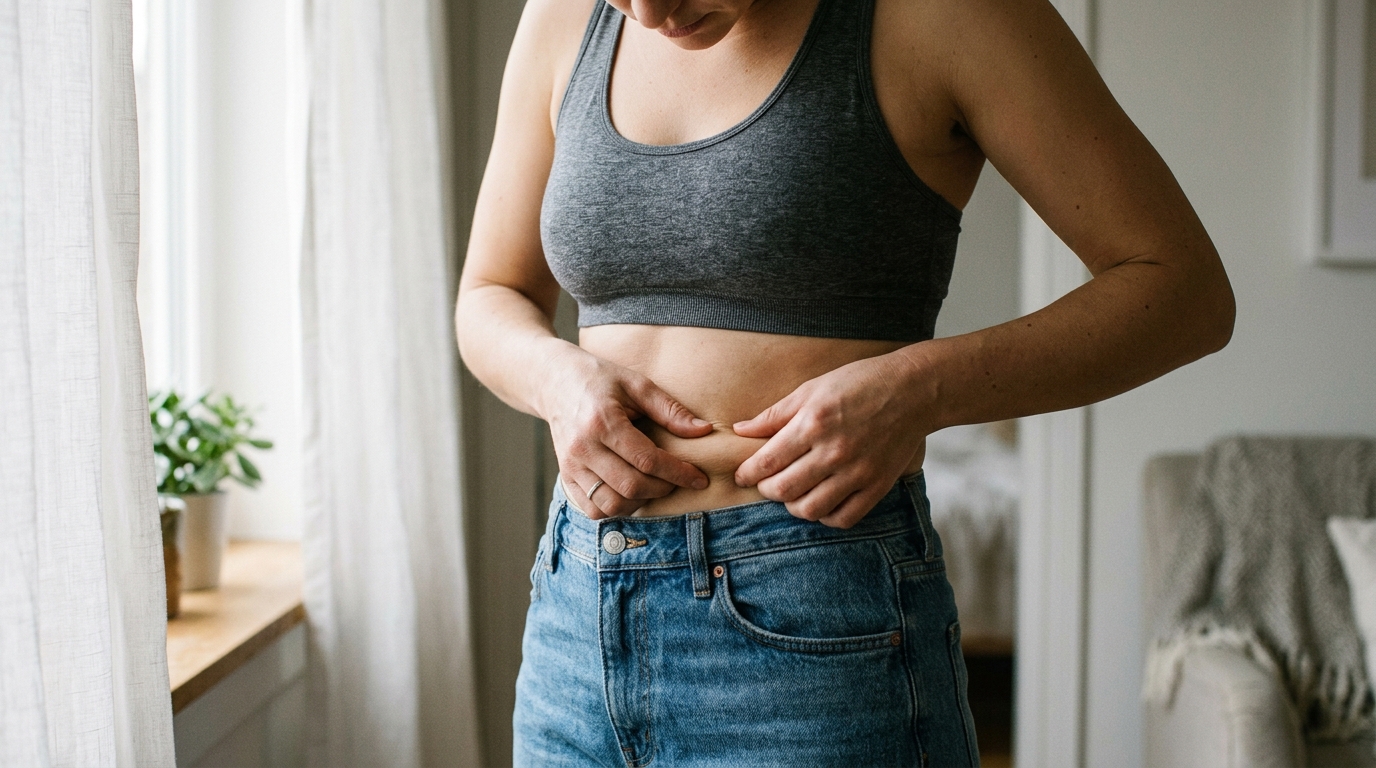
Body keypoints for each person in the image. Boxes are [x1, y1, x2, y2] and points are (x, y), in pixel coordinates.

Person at [455, 0, 1235, 763]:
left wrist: (921, 388)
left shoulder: (945, 16)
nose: (652, 14)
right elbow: (491, 293)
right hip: (578, 612)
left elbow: (1184, 291)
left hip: (816, 618)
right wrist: (556, 382)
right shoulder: (562, 15)